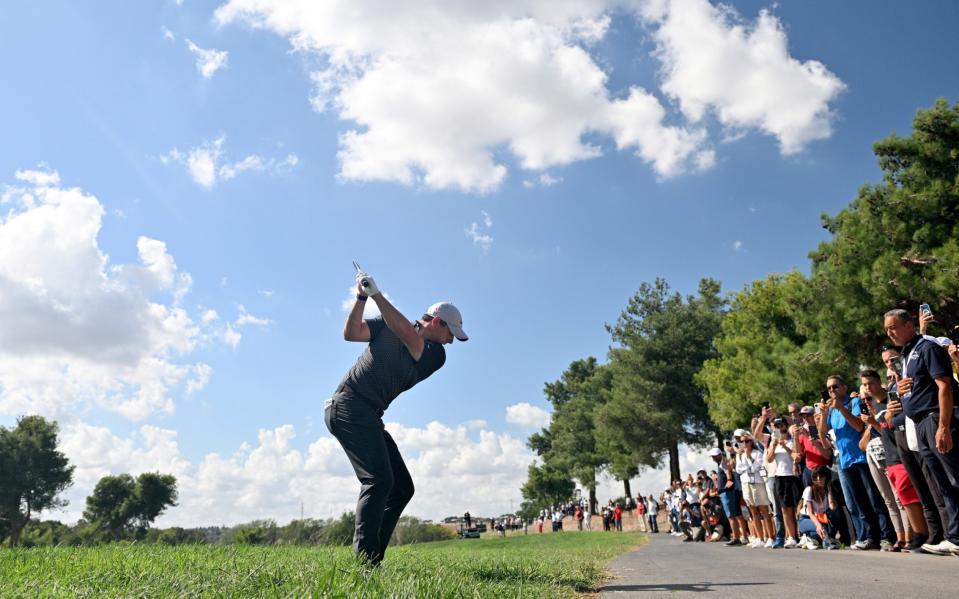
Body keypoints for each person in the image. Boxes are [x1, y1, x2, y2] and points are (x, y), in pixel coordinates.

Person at [326, 268, 468, 566]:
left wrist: (377, 294)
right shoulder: (388, 326)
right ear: (437, 322)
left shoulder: (435, 354)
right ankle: (365, 566)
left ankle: (373, 557)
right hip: (348, 407)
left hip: (368, 414)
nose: (451, 341)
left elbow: (408, 336)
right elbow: (351, 333)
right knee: (378, 480)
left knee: (401, 486)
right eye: (449, 333)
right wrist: (361, 298)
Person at [885, 308, 959, 555]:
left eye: (893, 327)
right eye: (887, 328)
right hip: (918, 424)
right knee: (943, 484)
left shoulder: (927, 347)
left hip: (934, 419)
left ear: (909, 325)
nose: (889, 332)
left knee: (955, 476)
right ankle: (956, 536)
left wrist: (943, 426)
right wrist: (902, 388)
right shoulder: (907, 354)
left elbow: (944, 386)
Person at [819, 374, 895, 550]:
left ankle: (887, 536)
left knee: (874, 499)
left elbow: (859, 426)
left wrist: (841, 409)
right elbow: (823, 432)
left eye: (835, 387)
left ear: (844, 387)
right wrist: (823, 414)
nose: (832, 391)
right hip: (845, 461)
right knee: (859, 502)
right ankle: (872, 536)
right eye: (829, 388)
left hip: (861, 457)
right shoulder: (831, 409)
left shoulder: (854, 403)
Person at [859, 369, 929, 551]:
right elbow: (877, 435)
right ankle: (913, 536)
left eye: (871, 383)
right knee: (901, 498)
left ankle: (919, 535)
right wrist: (872, 422)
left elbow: (893, 427)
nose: (868, 388)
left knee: (910, 497)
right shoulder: (872, 403)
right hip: (888, 457)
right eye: (865, 385)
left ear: (879, 382)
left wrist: (877, 421)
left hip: (902, 453)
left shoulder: (892, 400)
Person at [735, 432, 775, 548]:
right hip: (745, 483)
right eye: (741, 442)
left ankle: (770, 537)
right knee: (753, 511)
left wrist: (748, 457)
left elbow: (755, 467)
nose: (744, 444)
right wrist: (745, 461)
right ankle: (760, 537)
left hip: (757, 483)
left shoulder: (757, 453)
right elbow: (738, 469)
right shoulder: (739, 455)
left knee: (764, 510)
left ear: (751, 442)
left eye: (746, 441)